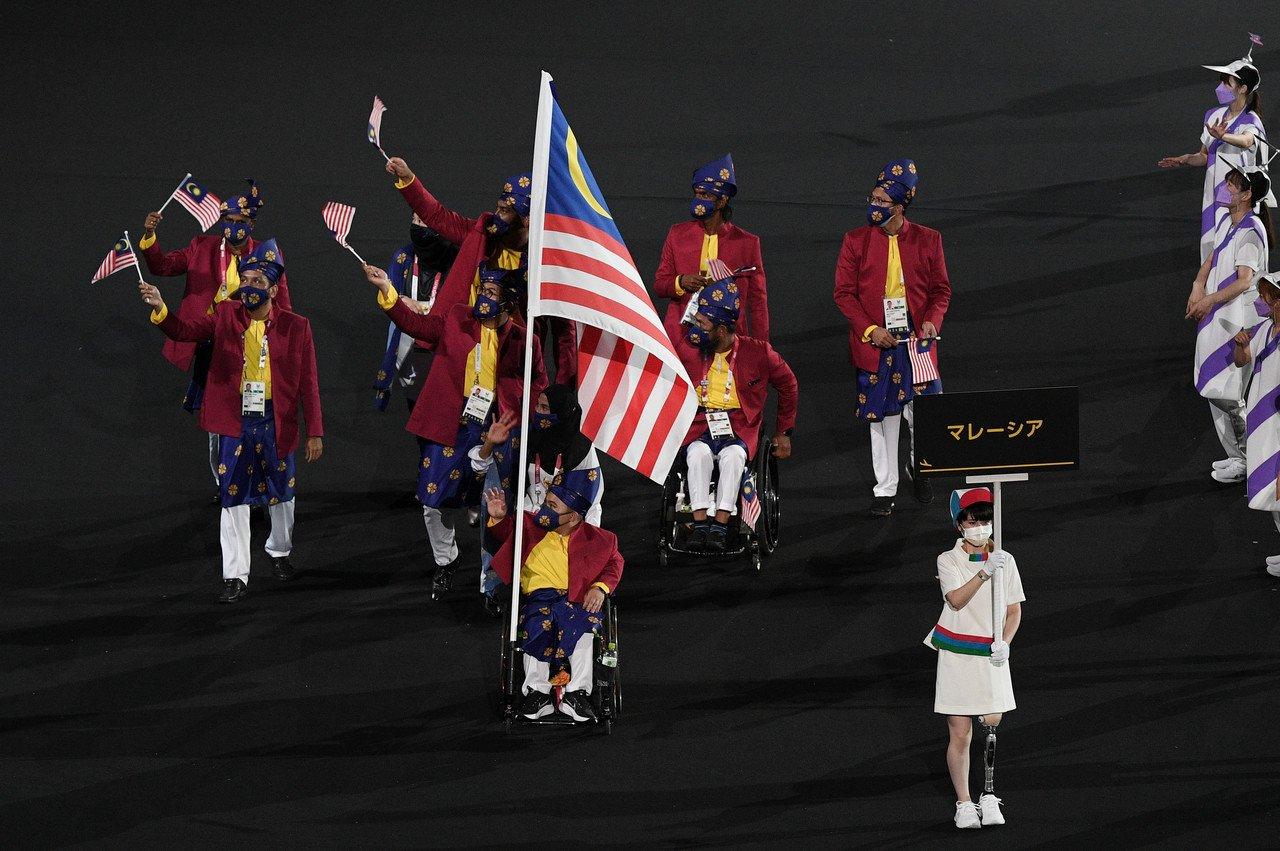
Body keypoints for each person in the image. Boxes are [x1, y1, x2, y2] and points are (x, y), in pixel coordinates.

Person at [138, 239, 323, 603]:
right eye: (246, 279)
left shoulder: (297, 327)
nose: (249, 287)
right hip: (236, 421)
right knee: (232, 496)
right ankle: (235, 574)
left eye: (257, 281)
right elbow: (185, 331)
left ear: (272, 289)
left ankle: (279, 551)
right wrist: (162, 308)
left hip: (275, 420)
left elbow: (309, 383)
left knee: (281, 495)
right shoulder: (224, 314)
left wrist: (315, 431)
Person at [362, 262, 546, 600]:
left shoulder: (525, 340)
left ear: (509, 302)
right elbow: (415, 322)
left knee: (496, 508)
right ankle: (446, 561)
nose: (483, 298)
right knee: (433, 503)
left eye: (492, 293)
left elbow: (538, 386)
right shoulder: (458, 318)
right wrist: (387, 290)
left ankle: (490, 585)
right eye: (483, 290)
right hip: (453, 425)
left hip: (498, 431)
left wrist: (522, 419)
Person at [138, 180, 294, 491]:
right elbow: (162, 266)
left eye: (238, 222)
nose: (231, 227)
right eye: (227, 221)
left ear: (249, 224)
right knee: (218, 421)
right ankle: (226, 483)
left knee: (258, 419)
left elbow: (283, 304)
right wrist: (149, 236)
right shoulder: (201, 247)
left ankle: (260, 484)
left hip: (253, 345)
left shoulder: (266, 253)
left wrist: (284, 346)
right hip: (213, 343)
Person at [382, 155, 577, 382]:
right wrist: (408, 179)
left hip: (514, 368)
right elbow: (438, 216)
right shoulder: (483, 233)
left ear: (526, 219)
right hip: (467, 357)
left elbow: (565, 332)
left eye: (506, 210)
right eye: (499, 206)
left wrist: (563, 386)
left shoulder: (548, 263)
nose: (497, 214)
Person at [834, 159, 950, 515]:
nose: (875, 206)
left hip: (916, 342)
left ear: (900, 207)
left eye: (883, 202)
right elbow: (843, 294)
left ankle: (921, 468)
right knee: (883, 419)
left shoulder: (929, 240)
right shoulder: (855, 241)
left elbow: (941, 291)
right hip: (876, 341)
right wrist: (870, 330)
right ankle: (885, 489)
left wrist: (932, 321)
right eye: (873, 198)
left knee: (923, 412)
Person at [485, 467, 622, 723]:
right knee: (535, 625)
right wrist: (499, 519)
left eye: (553, 507)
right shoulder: (528, 525)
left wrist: (600, 588)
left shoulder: (602, 539)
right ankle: (537, 692)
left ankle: (577, 695)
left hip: (576, 601)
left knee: (583, 627)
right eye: (547, 503)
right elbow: (501, 539)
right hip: (539, 600)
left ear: (573, 516)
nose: (545, 511)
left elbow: (614, 564)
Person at [924, 488, 1024, 829]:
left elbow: (1013, 610)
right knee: (961, 733)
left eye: (985, 520)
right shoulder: (947, 560)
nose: (980, 526)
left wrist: (1006, 643)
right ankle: (964, 802)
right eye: (973, 520)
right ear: (959, 524)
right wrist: (983, 573)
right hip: (957, 652)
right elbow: (955, 600)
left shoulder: (1006, 560)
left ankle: (989, 793)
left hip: (991, 654)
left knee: (992, 723)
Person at [677, 275, 797, 550]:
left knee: (733, 456)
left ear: (721, 330)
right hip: (700, 422)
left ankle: (720, 523)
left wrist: (784, 431)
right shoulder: (688, 349)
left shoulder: (758, 353)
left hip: (740, 426)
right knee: (697, 454)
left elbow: (789, 385)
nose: (695, 328)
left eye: (702, 324)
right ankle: (699, 523)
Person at [1188, 163, 1271, 483]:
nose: (1225, 188)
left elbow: (1243, 281)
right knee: (1213, 389)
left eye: (1233, 185)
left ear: (1247, 195)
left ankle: (1251, 459)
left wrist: (1207, 300)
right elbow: (1211, 258)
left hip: (1235, 322)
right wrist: (1197, 287)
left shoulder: (1252, 231)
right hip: (1215, 317)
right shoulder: (1226, 220)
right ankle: (1236, 456)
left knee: (1226, 392)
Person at [1159, 41, 1269, 262]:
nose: (1220, 88)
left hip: (1237, 194)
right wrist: (1186, 159)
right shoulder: (1213, 115)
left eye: (1226, 83)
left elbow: (1247, 141)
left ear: (1243, 89)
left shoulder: (1251, 120)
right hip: (1213, 192)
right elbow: (1205, 155)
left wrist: (1224, 136)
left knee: (1232, 251)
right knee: (1210, 246)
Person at [654, 154, 770, 350]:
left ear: (722, 201)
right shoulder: (677, 234)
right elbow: (659, 284)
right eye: (697, 194)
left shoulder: (747, 243)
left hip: (727, 340)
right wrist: (680, 282)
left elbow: (757, 303)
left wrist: (761, 348)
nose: (699, 200)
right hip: (681, 337)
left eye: (706, 195)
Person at [373, 215, 460, 412]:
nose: (416, 226)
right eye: (414, 221)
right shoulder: (402, 256)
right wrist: (390, 291)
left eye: (422, 222)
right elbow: (391, 298)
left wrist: (421, 308)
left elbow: (460, 305)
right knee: (416, 407)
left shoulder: (455, 258)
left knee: (442, 409)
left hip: (442, 344)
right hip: (407, 343)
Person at [1233, 271, 1280, 575]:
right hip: (1265, 428)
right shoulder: (1265, 330)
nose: (1262, 300)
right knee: (1274, 500)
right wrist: (1240, 344)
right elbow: (1241, 360)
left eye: (1268, 296)